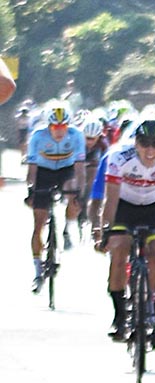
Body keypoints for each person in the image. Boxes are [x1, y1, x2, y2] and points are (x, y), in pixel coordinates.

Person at [100, 118, 155, 346]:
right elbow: (110, 198)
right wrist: (105, 231)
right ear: (135, 143)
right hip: (124, 206)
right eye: (144, 143)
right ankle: (119, 314)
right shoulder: (119, 156)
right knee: (119, 251)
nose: (150, 150)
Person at [26, 100, 85, 291]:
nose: (59, 130)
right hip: (43, 171)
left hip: (65, 171)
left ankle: (67, 229)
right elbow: (32, 168)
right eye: (55, 126)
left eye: (63, 126)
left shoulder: (76, 136)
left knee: (72, 192)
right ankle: (37, 270)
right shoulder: (37, 136)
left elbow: (79, 168)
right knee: (38, 224)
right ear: (48, 125)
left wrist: (79, 192)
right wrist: (31, 190)